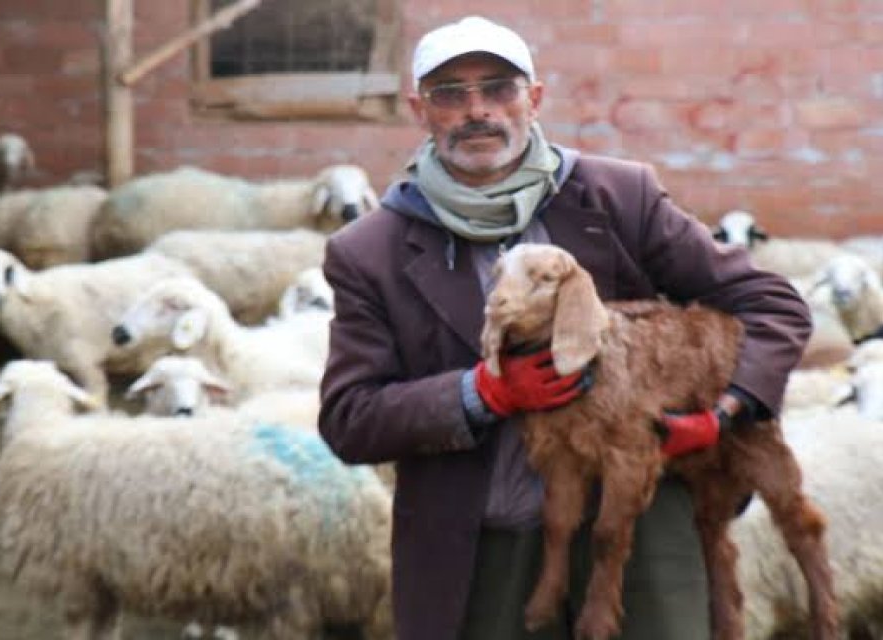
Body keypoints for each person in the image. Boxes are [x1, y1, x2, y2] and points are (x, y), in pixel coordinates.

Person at [317, 15, 812, 640]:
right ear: (420, 110)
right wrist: (480, 394)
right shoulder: (372, 249)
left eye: (498, 88)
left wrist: (728, 411)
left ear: (535, 98)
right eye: (450, 94)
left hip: (639, 518)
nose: (477, 111)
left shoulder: (615, 196)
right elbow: (349, 418)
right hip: (483, 534)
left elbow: (771, 304)